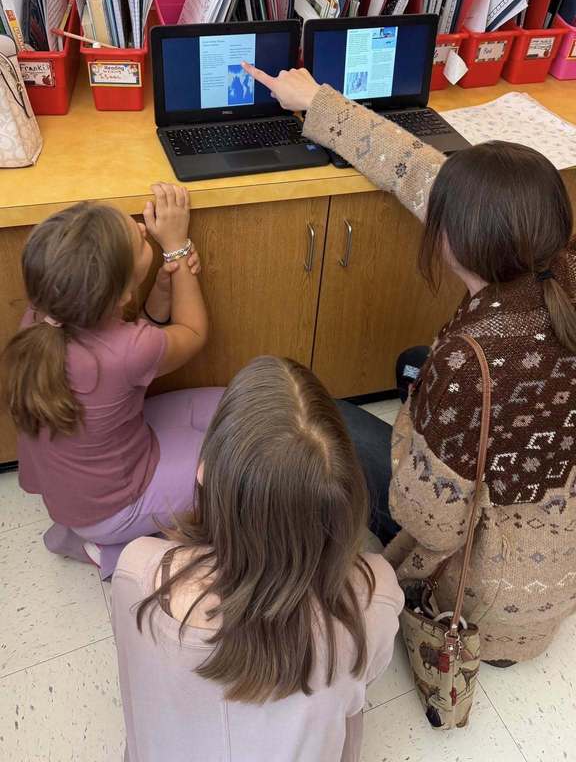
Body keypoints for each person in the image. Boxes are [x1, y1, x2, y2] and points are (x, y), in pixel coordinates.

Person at [241, 60, 576, 666]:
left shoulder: (468, 363)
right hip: (557, 551)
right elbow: (422, 171)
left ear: (454, 237)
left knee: (328, 418)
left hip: (477, 604)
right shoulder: (557, 262)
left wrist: (412, 440)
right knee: (411, 365)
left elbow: (430, 521)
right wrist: (318, 102)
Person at [112, 356, 404, 762]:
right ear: (346, 497)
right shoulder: (375, 596)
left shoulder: (138, 571)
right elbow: (358, 690)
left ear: (203, 473)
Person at [1, 183, 222, 578]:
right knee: (239, 469)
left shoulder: (43, 316)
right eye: (135, 240)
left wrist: (159, 288)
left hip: (84, 488)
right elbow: (192, 332)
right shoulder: (127, 351)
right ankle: (114, 548)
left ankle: (89, 531)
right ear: (120, 294)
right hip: (114, 504)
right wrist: (177, 246)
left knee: (234, 404)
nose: (140, 229)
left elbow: (132, 340)